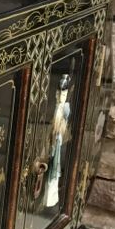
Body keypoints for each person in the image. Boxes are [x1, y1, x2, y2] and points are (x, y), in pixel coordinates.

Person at [46, 75, 72, 208]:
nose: (62, 96)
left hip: (58, 140)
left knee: (54, 168)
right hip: (53, 138)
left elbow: (63, 127)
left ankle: (52, 197)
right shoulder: (57, 106)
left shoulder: (65, 108)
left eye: (64, 94)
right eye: (60, 93)